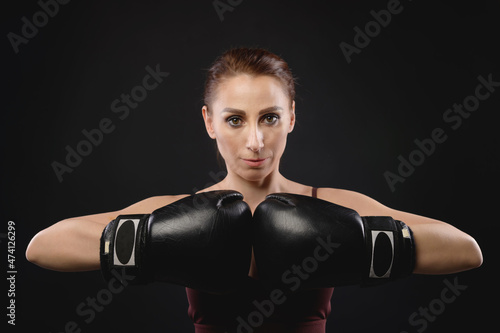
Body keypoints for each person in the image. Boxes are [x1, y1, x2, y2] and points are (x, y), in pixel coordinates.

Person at [26, 47, 483, 332]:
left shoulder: (332, 205)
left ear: (292, 118)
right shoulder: (179, 211)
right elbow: (38, 247)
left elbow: (467, 251)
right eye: (234, 119)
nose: (255, 140)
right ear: (209, 122)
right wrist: (153, 238)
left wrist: (362, 242)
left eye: (269, 117)